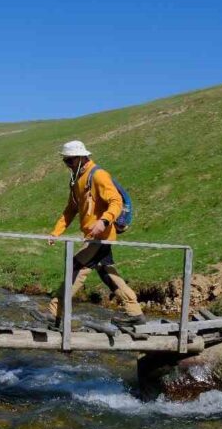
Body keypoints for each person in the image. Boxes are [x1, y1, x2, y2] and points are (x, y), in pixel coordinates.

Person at [41, 140, 144, 328]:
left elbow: (115, 201)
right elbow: (71, 209)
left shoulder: (98, 175)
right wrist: (56, 232)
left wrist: (103, 221)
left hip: (101, 236)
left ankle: (55, 313)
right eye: (66, 161)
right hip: (92, 237)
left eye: (70, 161)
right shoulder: (76, 180)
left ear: (81, 157)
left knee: (76, 266)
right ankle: (134, 312)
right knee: (106, 272)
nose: (68, 165)